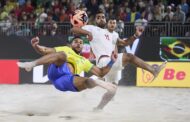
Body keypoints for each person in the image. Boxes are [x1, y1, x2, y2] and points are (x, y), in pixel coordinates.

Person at [71, 10, 167, 109]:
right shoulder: (92, 29)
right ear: (95, 20)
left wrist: (135, 36)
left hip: (112, 62)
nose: (101, 19)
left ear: (105, 19)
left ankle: (98, 108)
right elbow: (73, 29)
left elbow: (124, 43)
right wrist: (88, 33)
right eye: (98, 17)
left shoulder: (112, 34)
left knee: (112, 91)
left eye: (103, 17)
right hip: (104, 62)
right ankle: (153, 71)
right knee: (129, 56)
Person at [17, 36, 117, 110]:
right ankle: (31, 64)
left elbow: (101, 73)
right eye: (76, 42)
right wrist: (36, 46)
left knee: (87, 82)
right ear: (71, 44)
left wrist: (112, 61)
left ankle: (98, 93)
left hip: (66, 80)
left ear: (83, 46)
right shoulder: (66, 49)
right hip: (57, 69)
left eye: (81, 42)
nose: (78, 43)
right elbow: (45, 50)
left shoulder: (84, 61)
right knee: (62, 55)